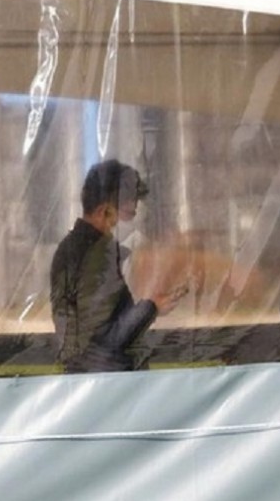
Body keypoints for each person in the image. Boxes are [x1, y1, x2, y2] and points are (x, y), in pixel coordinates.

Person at [50, 160, 183, 373]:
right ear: (105, 211)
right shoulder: (96, 256)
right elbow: (107, 338)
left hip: (94, 380)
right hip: (108, 384)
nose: (134, 227)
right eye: (128, 214)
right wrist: (151, 307)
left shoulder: (75, 249)